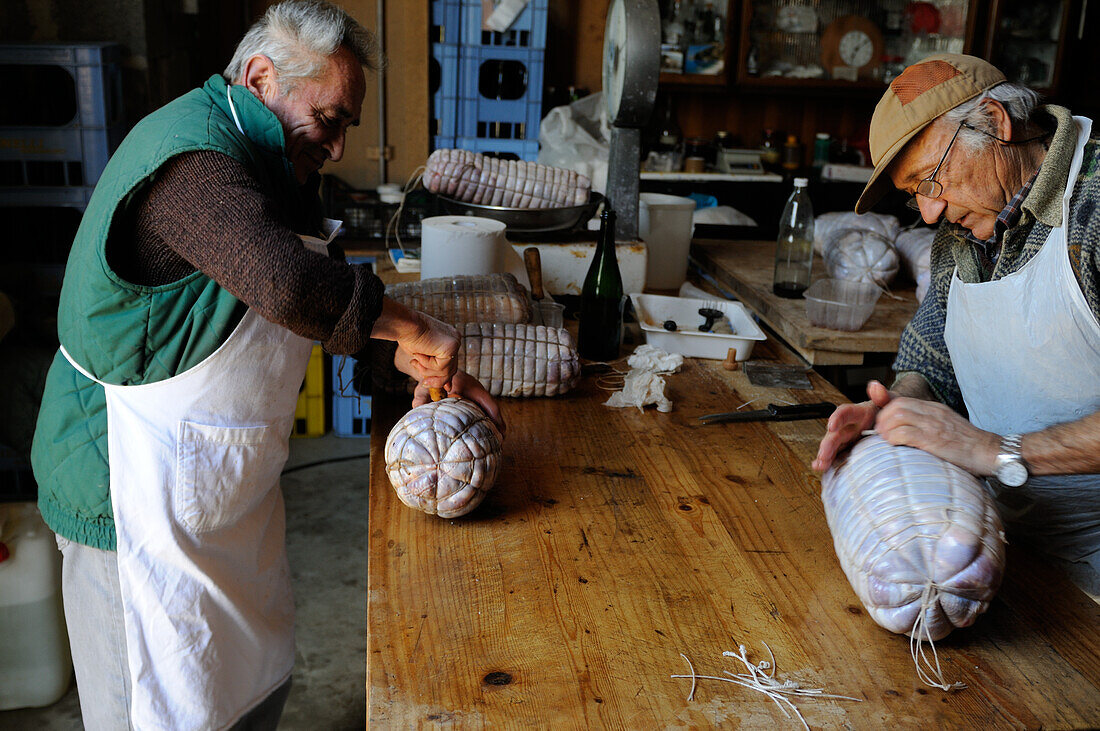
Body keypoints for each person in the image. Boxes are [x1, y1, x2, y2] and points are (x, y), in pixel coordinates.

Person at [30, 2, 502, 728]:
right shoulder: (191, 158)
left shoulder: (275, 165)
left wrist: (408, 370)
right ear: (260, 76)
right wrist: (410, 321)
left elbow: (315, 299)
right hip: (127, 494)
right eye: (332, 118)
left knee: (243, 691)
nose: (340, 146)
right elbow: (283, 283)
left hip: (224, 500)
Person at [812, 54, 1100, 597]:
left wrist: (997, 451)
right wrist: (894, 410)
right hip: (997, 554)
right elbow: (932, 360)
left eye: (930, 179)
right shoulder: (966, 227)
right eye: (912, 193)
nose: (927, 213)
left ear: (996, 121)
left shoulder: (1095, 206)